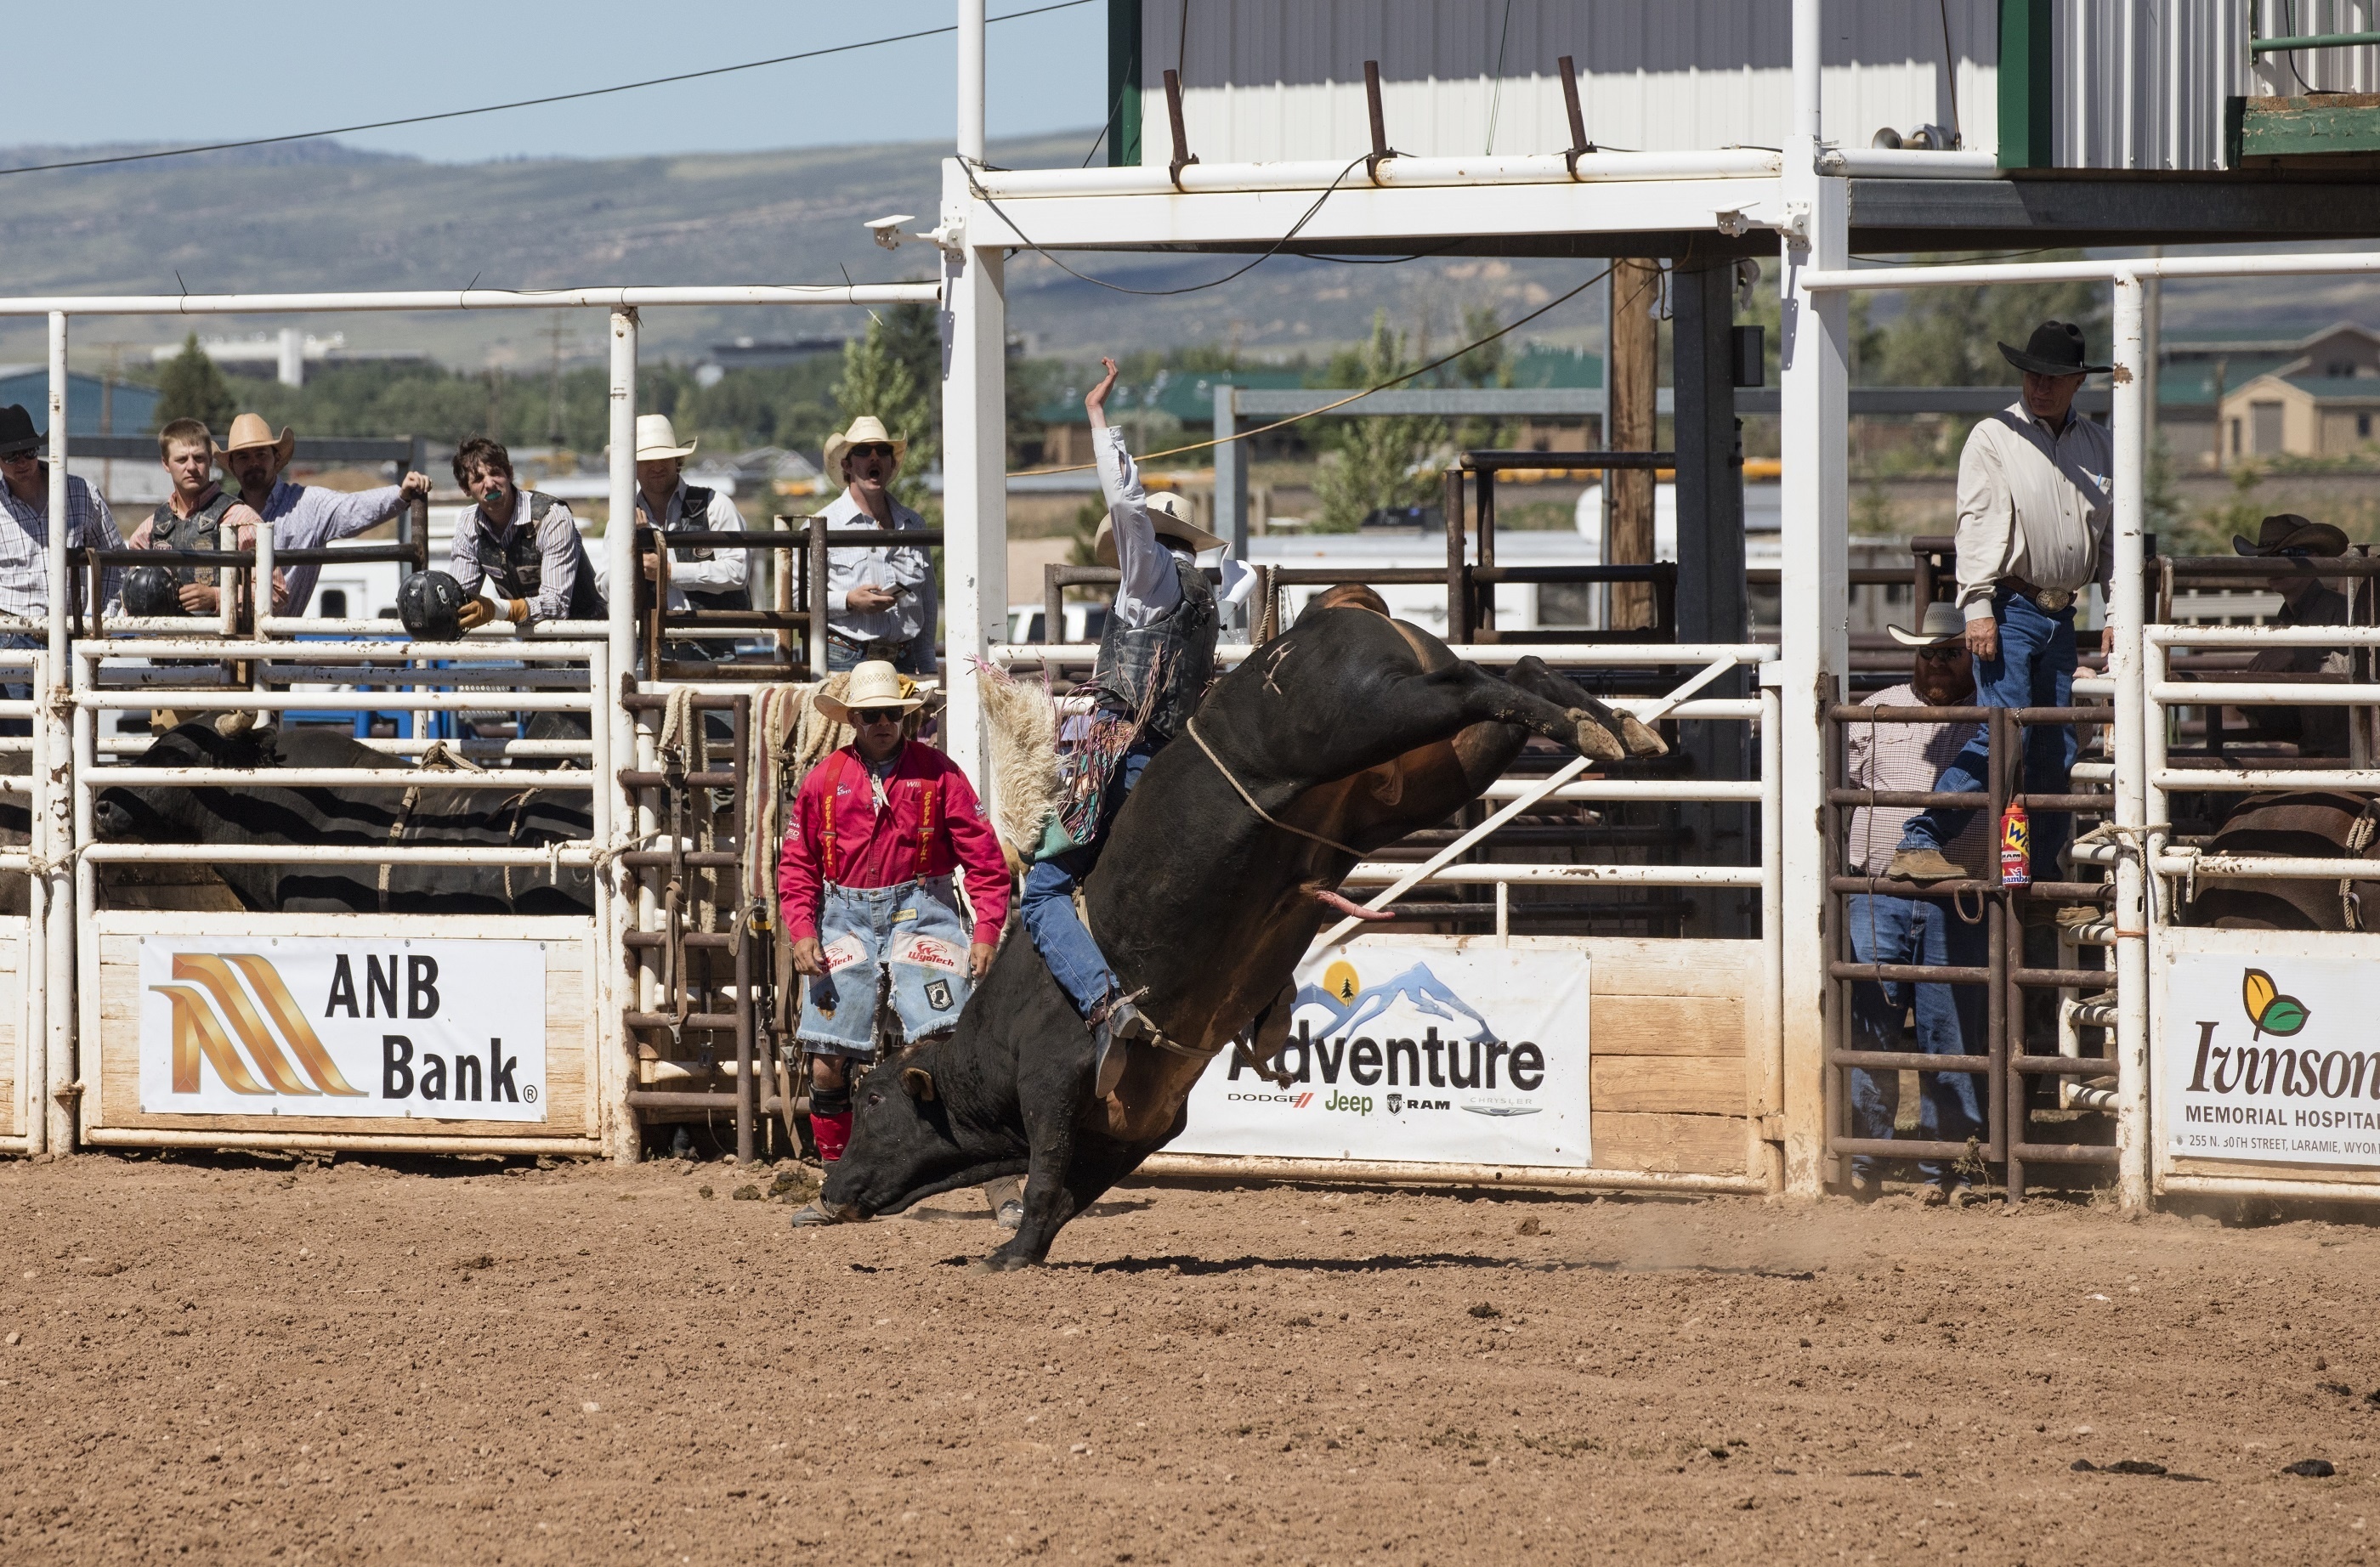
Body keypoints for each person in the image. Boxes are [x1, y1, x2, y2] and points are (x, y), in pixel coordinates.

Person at [1017, 356, 1228, 1094]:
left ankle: (1106, 1008)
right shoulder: (1214, 595)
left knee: (1042, 892)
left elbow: (1126, 502)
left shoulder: (1150, 580)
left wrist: (1099, 421)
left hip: (1117, 761)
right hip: (1179, 762)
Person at [1891, 320, 2114, 884]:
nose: (2041, 385)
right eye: (2033, 374)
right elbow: (1979, 525)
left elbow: (2111, 537)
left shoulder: (2096, 445)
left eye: (2054, 376)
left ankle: (2038, 872)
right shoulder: (1995, 437)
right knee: (2008, 729)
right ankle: (1922, 838)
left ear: (2075, 382)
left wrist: (2118, 612)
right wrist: (1979, 606)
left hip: (2058, 611)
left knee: (2052, 743)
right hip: (2012, 605)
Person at [778, 660, 1008, 1202]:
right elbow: (798, 863)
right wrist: (802, 929)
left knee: (945, 1048)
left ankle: (994, 1176)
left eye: (889, 714)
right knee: (829, 1060)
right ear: (852, 719)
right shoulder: (824, 779)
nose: (880, 723)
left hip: (922, 909)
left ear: (904, 717)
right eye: (869, 715)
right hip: (844, 914)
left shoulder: (940, 774)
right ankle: (837, 1179)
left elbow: (985, 859)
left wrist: (986, 931)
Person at [1845, 602, 1995, 1206]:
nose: (1936, 664)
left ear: (1970, 655)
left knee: (1949, 1032)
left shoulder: (1993, 712)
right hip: (1878, 889)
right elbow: (1846, 788)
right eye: (1928, 653)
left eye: (1950, 653)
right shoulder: (1873, 713)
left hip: (1954, 895)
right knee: (1871, 1031)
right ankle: (1866, 1160)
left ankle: (1947, 1169)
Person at [218, 412, 432, 617]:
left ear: (276, 458)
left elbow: (352, 508)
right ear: (232, 466)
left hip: (278, 641)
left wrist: (401, 495)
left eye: (261, 454)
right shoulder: (224, 515)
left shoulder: (307, 504)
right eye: (243, 457)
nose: (253, 463)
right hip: (228, 643)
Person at [2227, 513, 2356, 757]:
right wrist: (2253, 697)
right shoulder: (2289, 619)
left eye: (2286, 555)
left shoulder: (2340, 611)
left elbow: (2356, 672)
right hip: (2321, 754)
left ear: (2313, 559)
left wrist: (2295, 654)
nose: (2275, 565)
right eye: (2267, 558)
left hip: (2347, 755)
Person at [615, 414, 748, 649]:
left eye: (664, 459)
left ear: (677, 460)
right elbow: (606, 585)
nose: (656, 467)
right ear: (632, 467)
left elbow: (737, 572)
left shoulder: (716, 504)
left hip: (712, 647)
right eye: (646, 460)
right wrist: (630, 553)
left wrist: (668, 571)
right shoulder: (622, 519)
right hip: (649, 645)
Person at [445, 437, 606, 630]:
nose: (489, 484)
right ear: (465, 489)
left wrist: (497, 609)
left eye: (495, 473)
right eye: (478, 479)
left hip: (589, 640)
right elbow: (461, 598)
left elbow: (556, 604)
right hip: (532, 645)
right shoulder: (468, 524)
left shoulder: (551, 516)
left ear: (510, 473)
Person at [819, 415, 936, 673]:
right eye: (863, 451)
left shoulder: (914, 524)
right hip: (846, 659)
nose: (874, 458)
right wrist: (849, 600)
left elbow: (927, 600)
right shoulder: (822, 525)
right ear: (846, 465)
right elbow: (797, 602)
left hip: (903, 660)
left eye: (882, 451)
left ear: (891, 464)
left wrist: (927, 663)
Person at [126, 418, 267, 615]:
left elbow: (276, 592)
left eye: (199, 458)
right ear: (166, 464)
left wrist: (216, 597)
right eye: (182, 460)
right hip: (162, 643)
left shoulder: (241, 520)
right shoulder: (148, 532)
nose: (191, 467)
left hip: (225, 644)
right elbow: (131, 600)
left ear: (210, 459)